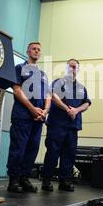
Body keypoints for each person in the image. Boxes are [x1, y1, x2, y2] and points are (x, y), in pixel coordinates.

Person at [6, 42, 51, 193]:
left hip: (38, 119)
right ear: (28, 51)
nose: (37, 51)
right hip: (23, 116)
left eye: (39, 49)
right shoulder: (19, 68)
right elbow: (17, 90)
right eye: (34, 49)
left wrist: (44, 111)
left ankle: (24, 178)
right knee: (18, 148)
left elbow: (48, 96)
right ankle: (13, 180)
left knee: (32, 149)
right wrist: (32, 109)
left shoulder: (43, 75)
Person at [41, 59, 91, 192]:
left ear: (78, 69)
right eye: (70, 66)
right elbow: (53, 96)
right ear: (66, 68)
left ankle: (65, 181)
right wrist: (67, 109)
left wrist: (76, 110)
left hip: (72, 126)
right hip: (57, 124)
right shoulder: (58, 82)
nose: (72, 69)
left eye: (75, 67)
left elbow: (87, 103)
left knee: (69, 155)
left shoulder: (81, 87)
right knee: (52, 152)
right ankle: (46, 180)